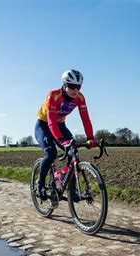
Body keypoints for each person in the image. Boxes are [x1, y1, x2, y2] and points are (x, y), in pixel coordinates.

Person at [34, 69, 98, 200]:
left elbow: (86, 119)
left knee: (74, 152)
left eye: (78, 87)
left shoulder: (80, 98)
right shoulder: (53, 95)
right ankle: (40, 185)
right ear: (64, 84)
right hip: (44, 125)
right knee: (51, 153)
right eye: (72, 86)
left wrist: (90, 138)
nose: (76, 90)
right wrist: (61, 140)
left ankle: (65, 180)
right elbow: (51, 121)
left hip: (61, 125)